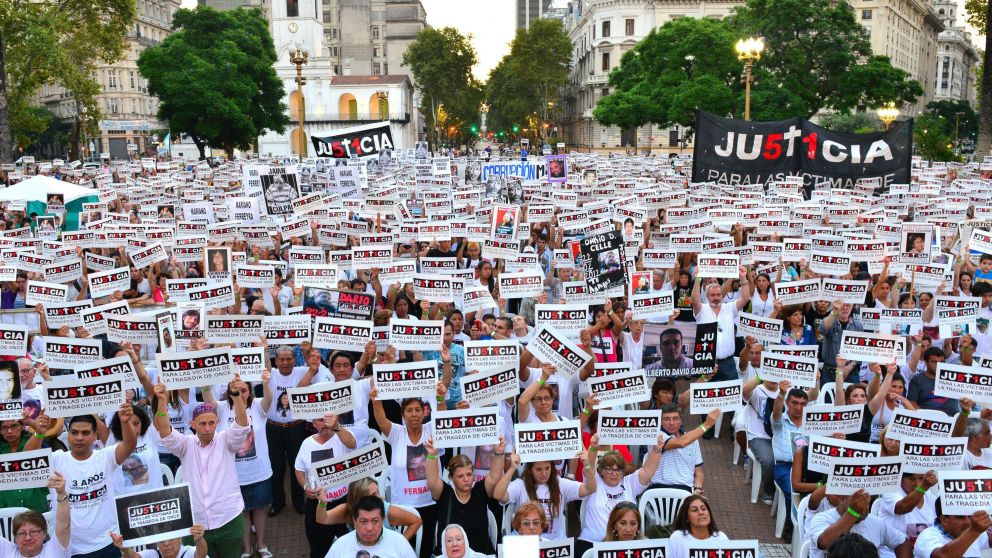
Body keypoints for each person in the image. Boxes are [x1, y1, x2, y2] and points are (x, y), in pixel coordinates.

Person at [152, 378, 250, 558]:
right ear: (193, 424)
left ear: (217, 422)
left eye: (211, 423)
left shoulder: (226, 440)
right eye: (202, 424)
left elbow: (242, 425)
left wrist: (236, 397)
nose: (207, 428)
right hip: (196, 524)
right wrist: (162, 402)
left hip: (228, 518)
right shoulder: (185, 444)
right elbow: (165, 431)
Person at [53, 408, 138, 558]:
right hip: (71, 547)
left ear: (95, 435)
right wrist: (38, 433)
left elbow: (129, 445)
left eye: (85, 433)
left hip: (108, 542)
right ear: (69, 434)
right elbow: (29, 459)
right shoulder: (57, 460)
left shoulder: (105, 456)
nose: (79, 437)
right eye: (74, 433)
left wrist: (125, 423)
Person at [371, 385, 437, 558]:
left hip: (429, 503)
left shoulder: (431, 429)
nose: (413, 414)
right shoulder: (396, 433)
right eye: (409, 410)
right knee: (403, 550)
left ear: (424, 413)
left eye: (417, 410)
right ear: (403, 415)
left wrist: (442, 399)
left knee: (425, 550)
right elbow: (381, 420)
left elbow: (443, 415)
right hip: (402, 505)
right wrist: (375, 400)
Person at [574, 433, 664, 556]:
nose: (614, 473)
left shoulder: (629, 483)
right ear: (601, 470)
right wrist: (594, 447)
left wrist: (657, 450)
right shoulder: (594, 481)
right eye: (609, 469)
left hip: (624, 544)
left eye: (618, 470)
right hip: (590, 542)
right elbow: (588, 466)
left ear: (623, 471)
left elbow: (648, 470)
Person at [493, 448, 596, 540]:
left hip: (555, 542)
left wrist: (587, 464)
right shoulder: (520, 485)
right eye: (539, 469)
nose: (544, 473)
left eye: (547, 468)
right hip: (525, 541)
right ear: (530, 470)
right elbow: (498, 495)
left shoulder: (560, 483)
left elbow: (590, 488)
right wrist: (512, 468)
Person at [424, 436, 503, 555]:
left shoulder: (480, 490)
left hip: (480, 555)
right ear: (451, 477)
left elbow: (494, 476)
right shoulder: (445, 494)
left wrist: (498, 452)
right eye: (460, 476)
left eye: (469, 474)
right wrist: (432, 454)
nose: (466, 479)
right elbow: (433, 481)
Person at [294, 412, 357, 558]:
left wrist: (337, 427)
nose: (325, 423)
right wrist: (305, 487)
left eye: (328, 419)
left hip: (344, 502)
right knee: (319, 550)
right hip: (317, 505)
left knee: (351, 549)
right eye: (320, 420)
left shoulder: (342, 436)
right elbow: (299, 469)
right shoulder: (306, 444)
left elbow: (352, 443)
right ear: (313, 424)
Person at [807, 489, 911, 558]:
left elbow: (902, 542)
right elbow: (825, 543)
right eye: (858, 501)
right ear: (842, 499)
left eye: (867, 500)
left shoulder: (875, 522)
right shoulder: (822, 519)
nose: (864, 506)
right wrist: (853, 512)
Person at [691, 266, 751, 382]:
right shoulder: (701, 309)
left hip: (728, 362)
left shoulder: (730, 308)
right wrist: (697, 279)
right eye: (712, 295)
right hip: (707, 362)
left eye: (718, 295)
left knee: (730, 397)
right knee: (709, 396)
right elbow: (694, 300)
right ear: (707, 297)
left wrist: (743, 278)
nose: (716, 298)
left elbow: (745, 298)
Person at [1, 473, 70, 558]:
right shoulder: (6, 551)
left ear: (44, 533)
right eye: (22, 533)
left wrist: (61, 493)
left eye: (33, 532)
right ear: (15, 537)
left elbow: (64, 525)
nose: (28, 538)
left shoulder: (55, 549)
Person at [326, 495, 417, 558]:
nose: (369, 528)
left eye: (375, 521)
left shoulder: (399, 542)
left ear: (382, 520)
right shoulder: (340, 545)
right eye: (364, 521)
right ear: (354, 521)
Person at [914, 502, 991, 557]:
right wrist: (974, 531)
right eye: (960, 517)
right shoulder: (927, 536)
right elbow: (941, 556)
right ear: (944, 520)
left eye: (970, 516)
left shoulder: (972, 530)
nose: (968, 522)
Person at [666, 495, 731, 558]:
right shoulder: (677, 538)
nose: (701, 512)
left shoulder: (721, 538)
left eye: (703, 509)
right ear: (687, 518)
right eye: (694, 510)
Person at [111, 525, 208, 558]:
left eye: (171, 539)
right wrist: (124, 549)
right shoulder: (153, 555)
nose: (166, 544)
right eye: (161, 541)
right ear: (156, 542)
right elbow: (134, 557)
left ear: (180, 539)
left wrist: (199, 539)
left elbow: (201, 554)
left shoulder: (188, 552)